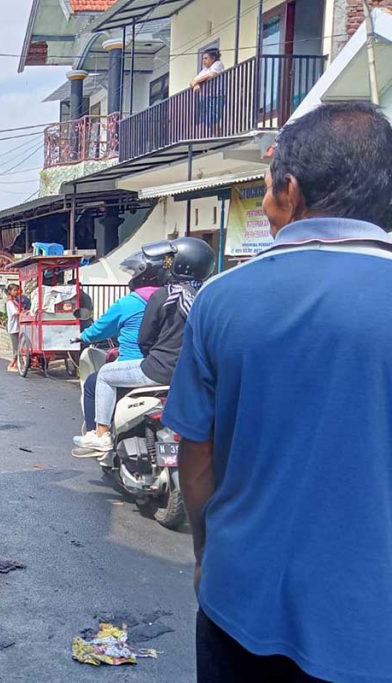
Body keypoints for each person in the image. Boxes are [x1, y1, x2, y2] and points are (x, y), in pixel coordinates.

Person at [164, 102, 392, 683]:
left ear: (290, 189)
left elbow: (196, 461)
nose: (265, 207)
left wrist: (204, 555)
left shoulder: (222, 299)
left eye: (266, 192)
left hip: (241, 600)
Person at [74, 238, 214, 452]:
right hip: (194, 373)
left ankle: (101, 435)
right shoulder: (207, 298)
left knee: (103, 376)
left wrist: (154, 354)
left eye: (170, 261)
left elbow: (145, 338)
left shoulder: (164, 295)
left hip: (158, 369)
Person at [75, 249, 166, 435]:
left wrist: (83, 336)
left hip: (139, 366)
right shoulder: (176, 298)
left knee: (94, 382)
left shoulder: (128, 303)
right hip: (172, 369)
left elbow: (100, 329)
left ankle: (98, 434)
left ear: (141, 276)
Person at [5, 283, 22, 371]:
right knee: (16, 348)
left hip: (17, 327)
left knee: (18, 347)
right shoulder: (10, 303)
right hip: (13, 327)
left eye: (17, 290)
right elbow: (15, 313)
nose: (16, 292)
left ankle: (15, 364)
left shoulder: (15, 301)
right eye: (14, 290)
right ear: (10, 292)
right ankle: (11, 365)